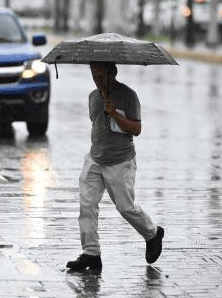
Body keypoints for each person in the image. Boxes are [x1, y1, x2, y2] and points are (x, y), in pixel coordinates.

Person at [66, 61, 164, 272]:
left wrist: (116, 114)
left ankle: (153, 234)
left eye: (101, 77)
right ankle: (91, 254)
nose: (98, 81)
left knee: (125, 207)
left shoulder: (129, 96)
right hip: (95, 158)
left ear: (114, 73)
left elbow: (136, 129)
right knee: (87, 205)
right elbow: (96, 124)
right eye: (94, 76)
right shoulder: (93, 97)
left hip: (121, 160)